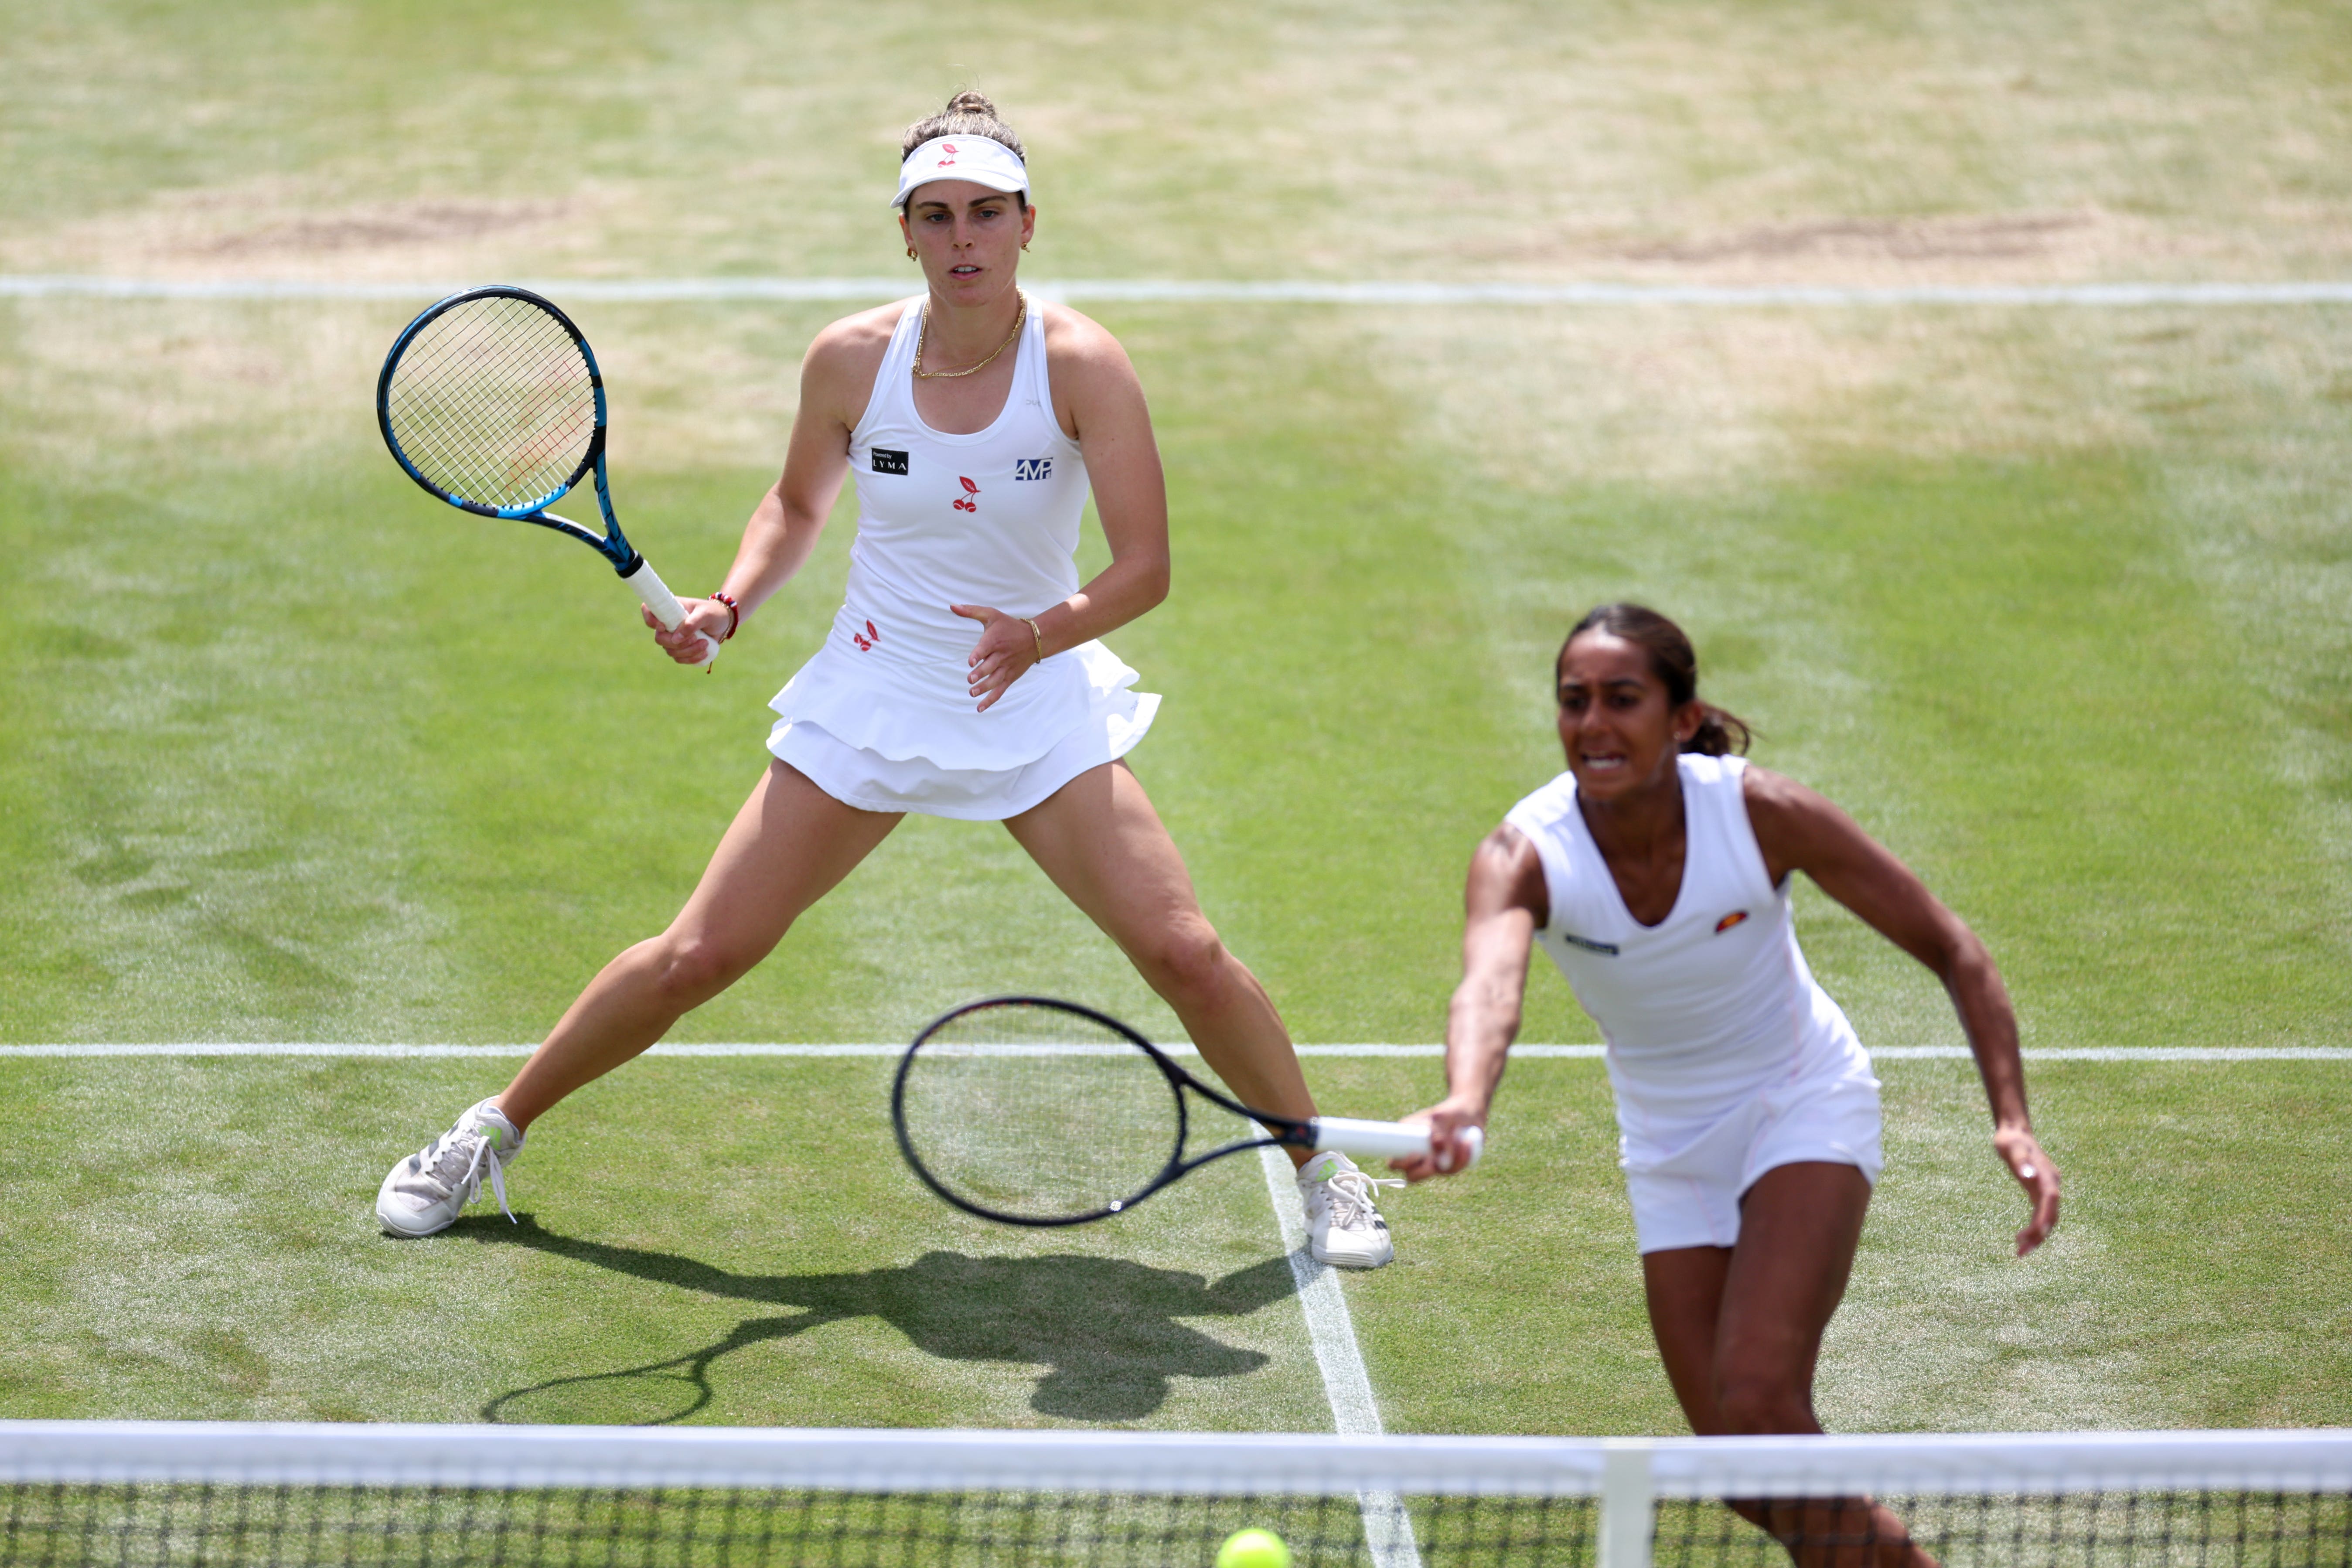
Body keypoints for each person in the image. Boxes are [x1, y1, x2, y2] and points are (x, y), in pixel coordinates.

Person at [375, 91, 1396, 1268]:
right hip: (873, 690)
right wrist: (730, 604)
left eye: (985, 214)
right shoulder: (852, 361)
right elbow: (799, 504)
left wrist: (1037, 635)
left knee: (1183, 952)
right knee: (698, 955)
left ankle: (1326, 1166)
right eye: (937, 216)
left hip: (1030, 692)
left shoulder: (1082, 366)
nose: (963, 238)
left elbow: (1147, 568)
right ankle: (487, 1130)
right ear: (903, 232)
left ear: (1026, 224)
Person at [1395, 603, 2062, 1567]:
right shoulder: (1525, 853)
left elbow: (1952, 946)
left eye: (1622, 699)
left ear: (1680, 716)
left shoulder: (1761, 813)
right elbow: (1490, 987)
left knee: (1758, 1401)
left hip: (1800, 1101)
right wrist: (1465, 1098)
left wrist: (2013, 1120)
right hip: (1669, 1148)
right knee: (1748, 1471)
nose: (1592, 723)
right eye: (1574, 700)